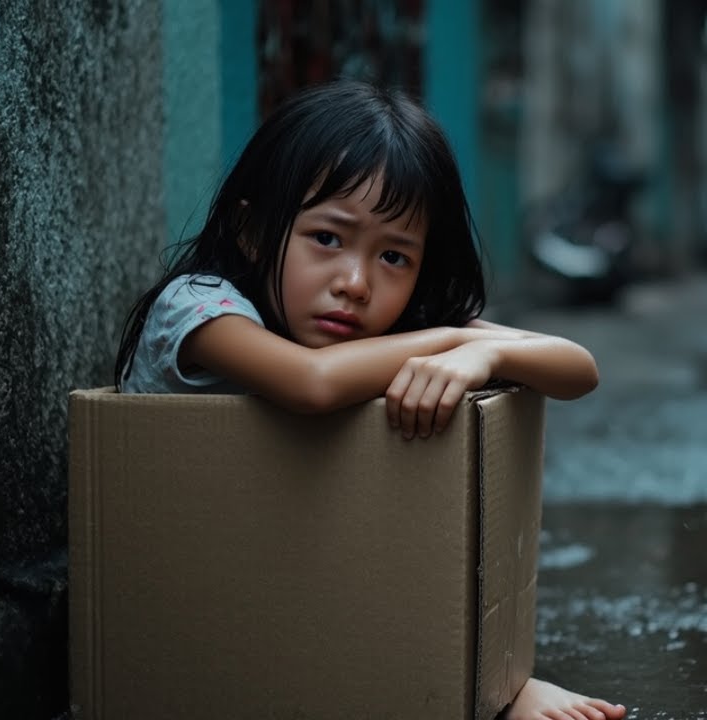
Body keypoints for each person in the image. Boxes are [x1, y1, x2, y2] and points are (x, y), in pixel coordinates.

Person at [115, 80, 626, 720]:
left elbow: (578, 368)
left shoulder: (390, 326)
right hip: (203, 615)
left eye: (393, 256)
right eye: (327, 239)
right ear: (253, 231)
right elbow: (312, 383)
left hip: (323, 601)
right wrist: (451, 338)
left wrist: (486, 356)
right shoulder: (197, 306)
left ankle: (491, 682)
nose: (356, 283)